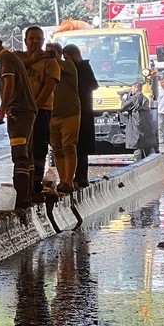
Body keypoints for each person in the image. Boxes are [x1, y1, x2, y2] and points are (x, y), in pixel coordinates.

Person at [0, 30, 37, 209]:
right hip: (28, 111)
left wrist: (2, 110)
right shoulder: (12, 57)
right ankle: (27, 197)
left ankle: (21, 200)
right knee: (27, 157)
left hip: (19, 112)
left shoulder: (4, 59)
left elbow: (9, 85)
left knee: (20, 156)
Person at [18, 26, 60, 199]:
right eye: (31, 38)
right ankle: (23, 185)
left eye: (38, 38)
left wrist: (34, 106)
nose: (34, 41)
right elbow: (12, 70)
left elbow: (50, 85)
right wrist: (31, 60)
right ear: (26, 40)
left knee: (39, 146)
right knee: (22, 148)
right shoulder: (18, 58)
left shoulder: (50, 61)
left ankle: (36, 184)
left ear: (43, 40)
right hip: (21, 111)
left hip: (41, 110)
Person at [61, 44, 98, 188]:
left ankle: (81, 176)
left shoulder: (83, 68)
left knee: (81, 146)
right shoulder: (79, 68)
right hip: (78, 110)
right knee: (76, 145)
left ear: (75, 55)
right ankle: (77, 176)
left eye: (68, 58)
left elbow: (93, 85)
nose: (67, 62)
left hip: (84, 111)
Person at [47, 42, 80, 193]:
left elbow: (58, 68)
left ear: (59, 53)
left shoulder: (68, 66)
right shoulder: (45, 68)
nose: (49, 56)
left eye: (52, 53)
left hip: (70, 113)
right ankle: (63, 180)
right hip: (52, 114)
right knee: (57, 149)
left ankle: (69, 181)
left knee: (69, 146)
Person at [121, 82, 157, 161]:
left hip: (136, 124)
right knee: (146, 144)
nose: (131, 90)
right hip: (145, 124)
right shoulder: (144, 98)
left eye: (133, 88)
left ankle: (137, 163)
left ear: (136, 89)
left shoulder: (135, 98)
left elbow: (124, 106)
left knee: (137, 145)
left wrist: (124, 98)